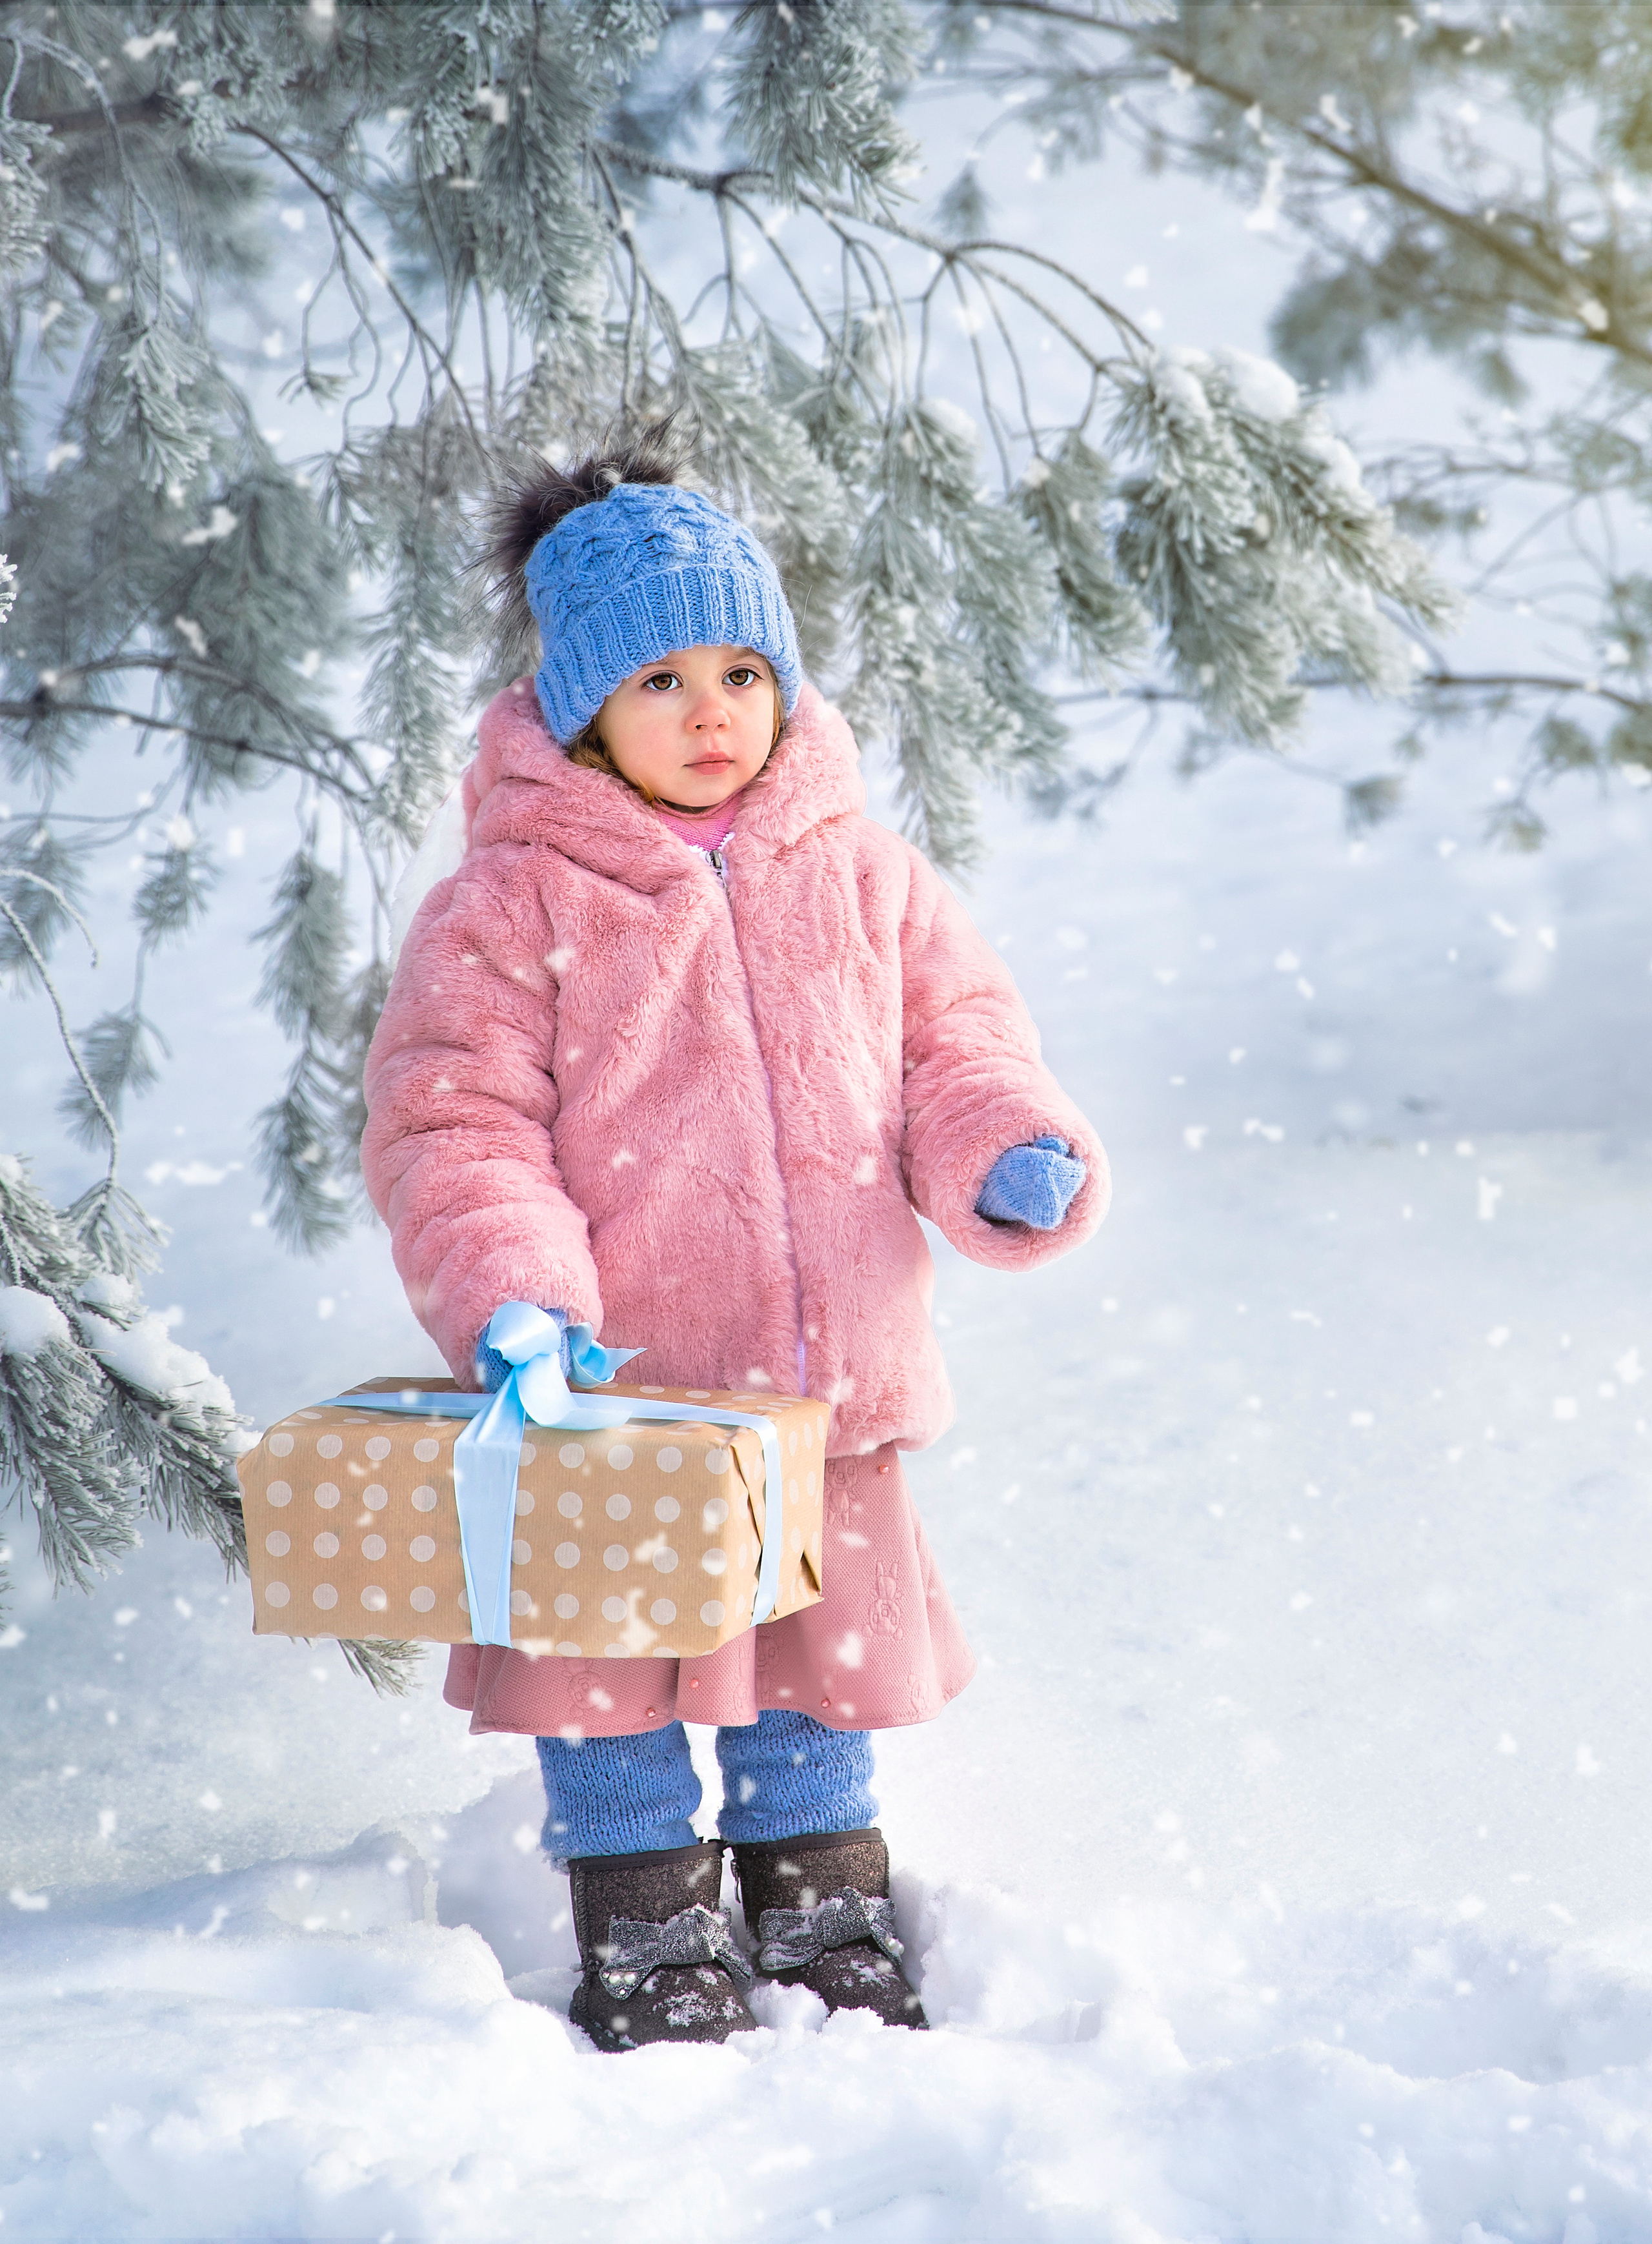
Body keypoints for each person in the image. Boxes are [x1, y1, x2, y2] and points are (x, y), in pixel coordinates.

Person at [361, 425, 1107, 2052]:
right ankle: (643, 1921)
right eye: (662, 682)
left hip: (821, 1389)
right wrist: (516, 1291)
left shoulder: (866, 877)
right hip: (615, 1402)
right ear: (582, 711)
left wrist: (1002, 1152)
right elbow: (454, 1124)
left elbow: (955, 1049)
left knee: (810, 1668)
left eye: (742, 673)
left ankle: (823, 1899)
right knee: (612, 1679)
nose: (713, 713)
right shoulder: (510, 905)